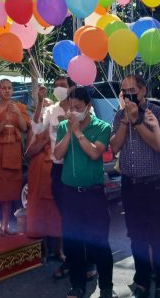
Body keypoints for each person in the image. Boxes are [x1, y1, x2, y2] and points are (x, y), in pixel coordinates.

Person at [109, 74, 160, 298]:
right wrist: (126, 121)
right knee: (136, 234)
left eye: (133, 90)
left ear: (143, 90)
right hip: (129, 183)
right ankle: (142, 278)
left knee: (157, 235)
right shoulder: (119, 115)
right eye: (124, 91)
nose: (128, 95)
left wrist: (137, 120)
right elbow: (115, 147)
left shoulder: (157, 113)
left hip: (153, 184)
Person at [54, 86, 117, 298]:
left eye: (78, 107)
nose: (73, 112)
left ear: (88, 106)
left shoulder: (102, 127)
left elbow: (94, 153)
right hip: (70, 193)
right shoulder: (64, 126)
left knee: (99, 243)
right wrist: (69, 132)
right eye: (70, 107)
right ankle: (77, 285)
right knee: (73, 244)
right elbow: (58, 154)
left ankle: (106, 286)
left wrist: (78, 133)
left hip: (93, 194)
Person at [32, 75, 83, 279]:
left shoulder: (81, 109)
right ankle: (69, 260)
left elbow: (90, 132)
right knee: (64, 215)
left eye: (63, 85)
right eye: (56, 86)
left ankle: (83, 261)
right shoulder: (51, 110)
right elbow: (37, 128)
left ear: (72, 88)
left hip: (76, 167)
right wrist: (39, 103)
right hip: (57, 167)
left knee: (77, 215)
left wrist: (71, 122)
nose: (59, 89)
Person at [0, 79, 29, 236]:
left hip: (13, 152)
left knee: (9, 191)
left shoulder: (19, 107)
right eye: (4, 88)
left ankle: (5, 225)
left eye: (10, 88)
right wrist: (4, 121)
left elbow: (24, 128)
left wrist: (17, 113)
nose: (7, 91)